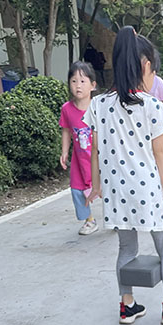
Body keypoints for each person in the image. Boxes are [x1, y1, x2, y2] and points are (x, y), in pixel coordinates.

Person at [86, 27, 163, 325]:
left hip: (117, 191)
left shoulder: (98, 104)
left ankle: (127, 305)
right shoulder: (152, 106)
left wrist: (96, 185)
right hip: (149, 190)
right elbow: (162, 153)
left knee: (126, 248)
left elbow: (94, 149)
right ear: (145, 66)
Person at [59, 60, 99, 236]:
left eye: (83, 81)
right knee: (77, 190)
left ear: (93, 85)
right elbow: (66, 130)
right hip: (79, 160)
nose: (78, 85)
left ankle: (117, 218)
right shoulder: (67, 109)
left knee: (109, 190)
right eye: (74, 81)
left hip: (100, 159)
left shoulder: (98, 107)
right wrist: (64, 152)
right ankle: (89, 220)